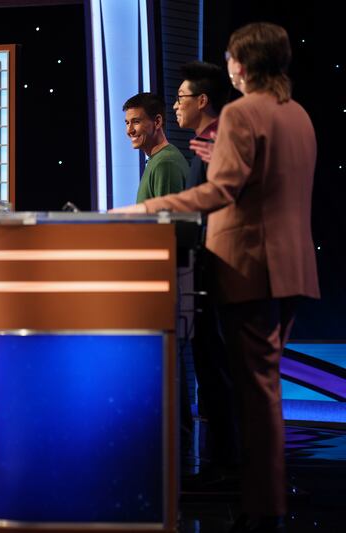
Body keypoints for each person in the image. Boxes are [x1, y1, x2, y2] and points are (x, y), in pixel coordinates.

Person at [113, 23, 318, 533]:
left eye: (230, 58)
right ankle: (263, 500)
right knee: (261, 388)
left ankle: (263, 505)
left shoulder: (244, 113)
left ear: (242, 65)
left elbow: (221, 191)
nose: (227, 66)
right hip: (292, 267)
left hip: (251, 265)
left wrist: (145, 210)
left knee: (255, 393)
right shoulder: (297, 114)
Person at [174, 61, 242, 482]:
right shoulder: (203, 145)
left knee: (216, 367)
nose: (178, 106)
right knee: (210, 366)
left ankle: (227, 463)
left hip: (217, 272)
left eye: (182, 99)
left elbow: (209, 209)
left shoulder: (215, 146)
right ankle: (223, 459)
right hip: (205, 273)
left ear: (202, 101)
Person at [122, 92, 188, 202]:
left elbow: (166, 217)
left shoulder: (165, 163)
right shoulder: (158, 160)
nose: (129, 131)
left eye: (136, 122)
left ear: (157, 122)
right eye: (127, 123)